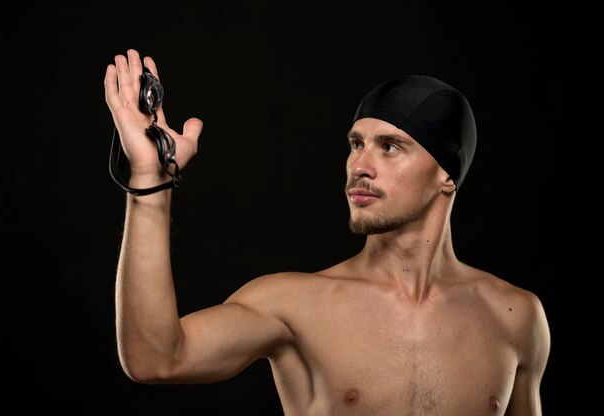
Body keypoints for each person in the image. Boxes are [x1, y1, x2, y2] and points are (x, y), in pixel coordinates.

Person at [104, 48, 551, 416]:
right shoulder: (295, 305)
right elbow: (155, 358)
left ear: (446, 176)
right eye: (357, 144)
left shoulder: (514, 316)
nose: (359, 166)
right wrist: (149, 177)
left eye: (391, 147)